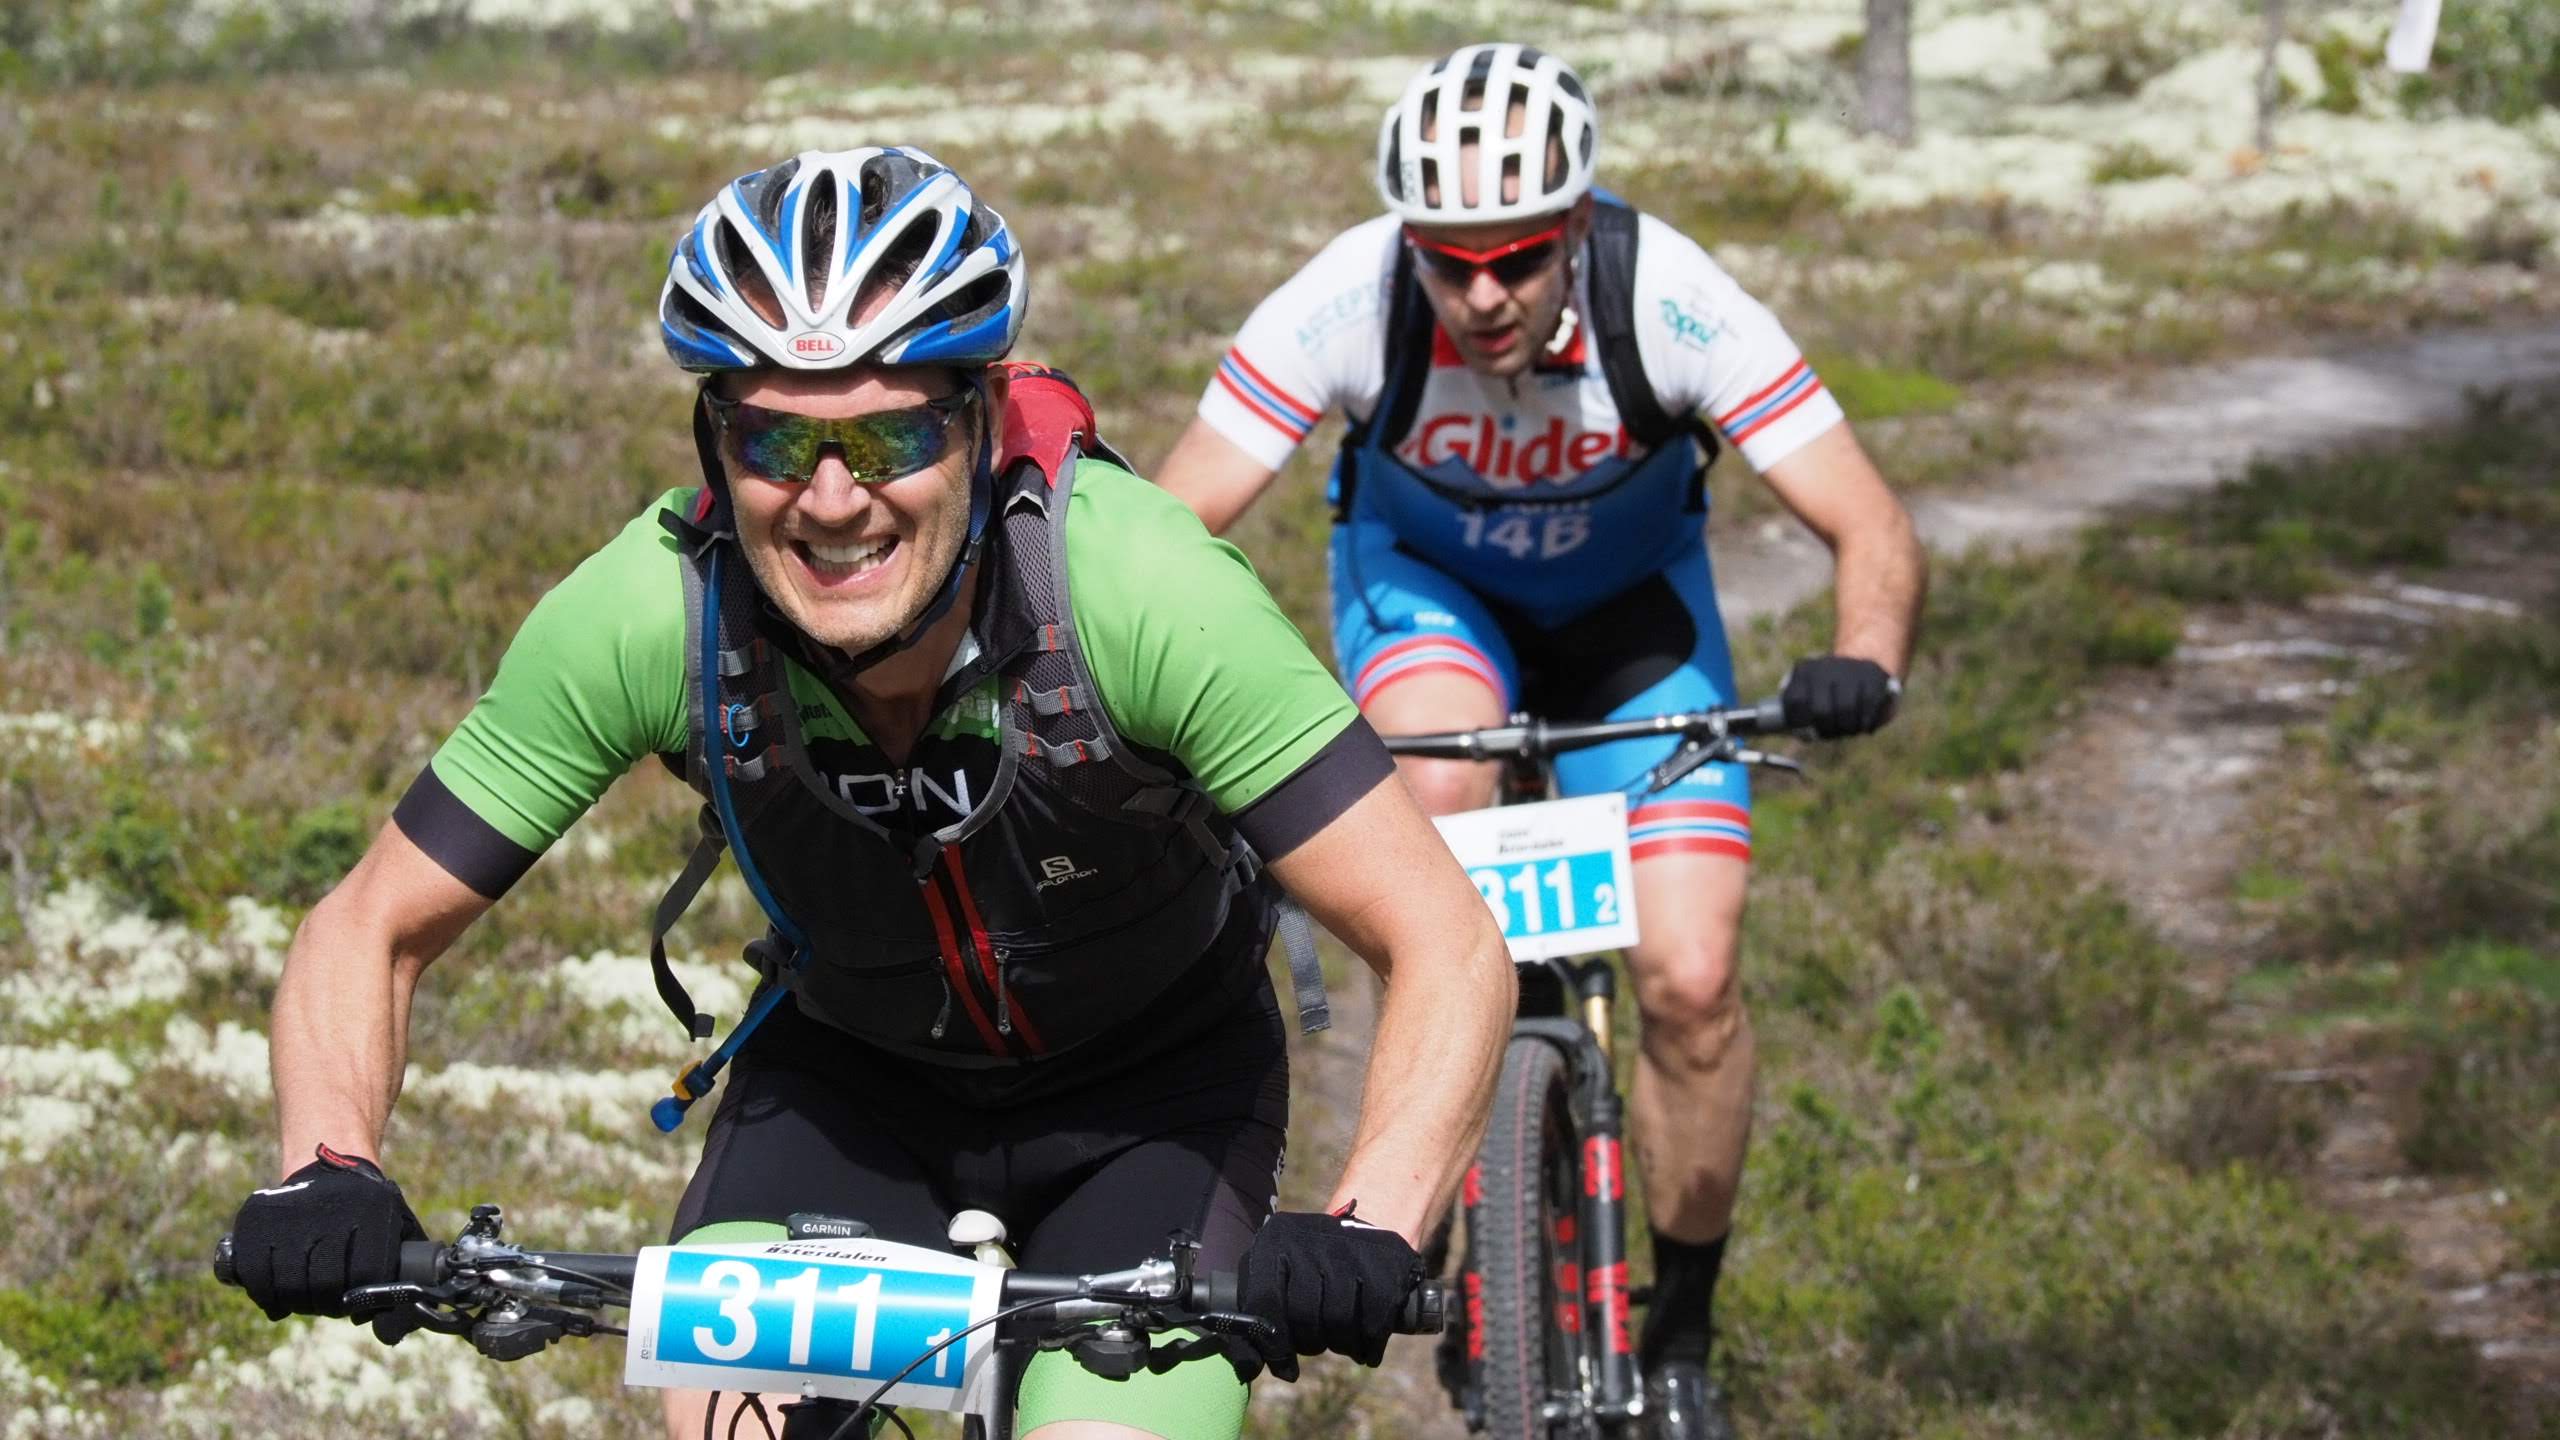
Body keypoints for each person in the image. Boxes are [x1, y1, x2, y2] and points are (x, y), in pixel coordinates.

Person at [225, 145, 1516, 1440]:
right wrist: (326, 1165)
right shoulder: (650, 613)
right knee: (731, 1425)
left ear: (977, 423)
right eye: (776, 438)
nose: (834, 499)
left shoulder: (1141, 591)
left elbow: (1443, 938)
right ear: (712, 443)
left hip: (1156, 1095)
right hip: (850, 1082)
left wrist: (1375, 1220)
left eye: (889, 434)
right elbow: (369, 926)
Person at [1155, 43, 1926, 1436]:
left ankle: (1681, 1329)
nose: (1483, 292)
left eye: (1517, 256)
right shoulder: (1350, 298)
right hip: (1430, 598)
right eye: (1451, 261)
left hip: (1632, 622)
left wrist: (1864, 658)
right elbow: (1166, 530)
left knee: (1692, 980)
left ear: (1576, 227)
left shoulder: (1672, 297)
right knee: (1433, 793)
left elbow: (1866, 520)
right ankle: (1426, 1172)